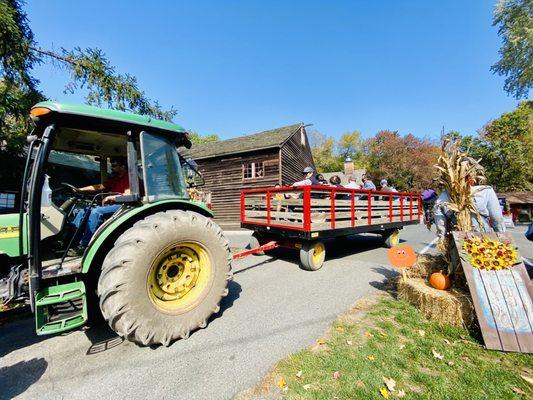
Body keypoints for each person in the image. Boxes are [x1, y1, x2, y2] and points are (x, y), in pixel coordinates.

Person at [69, 157, 131, 255]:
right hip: (112, 205)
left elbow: (128, 195)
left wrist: (111, 197)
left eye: (114, 166)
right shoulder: (115, 178)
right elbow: (100, 187)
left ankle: (85, 246)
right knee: (83, 211)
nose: (112, 168)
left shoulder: (130, 178)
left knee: (96, 211)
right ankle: (71, 241)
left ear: (122, 167)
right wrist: (80, 189)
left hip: (124, 206)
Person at [433, 175, 505, 239]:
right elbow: (497, 218)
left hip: (457, 238)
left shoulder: (442, 197)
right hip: (483, 235)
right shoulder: (486, 191)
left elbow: (440, 223)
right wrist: (502, 236)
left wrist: (442, 239)